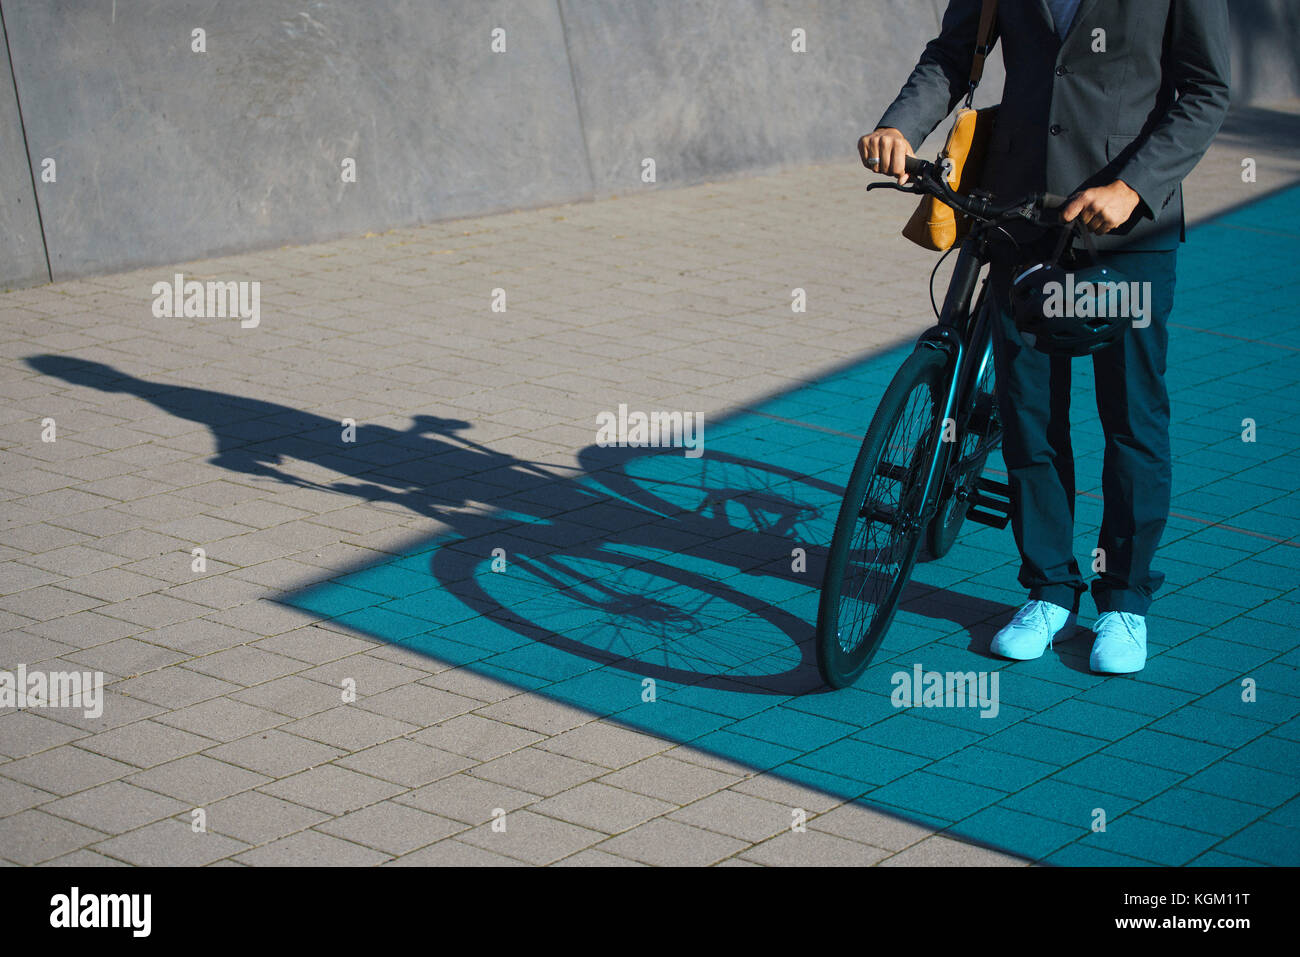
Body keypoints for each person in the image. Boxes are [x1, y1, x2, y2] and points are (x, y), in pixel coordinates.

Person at [860, 0, 1230, 673]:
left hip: (1126, 228)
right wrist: (898, 124)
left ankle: (1124, 599)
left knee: (1132, 417)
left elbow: (1205, 91)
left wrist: (1132, 187)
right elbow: (952, 53)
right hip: (1018, 212)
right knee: (1029, 413)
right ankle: (1049, 588)